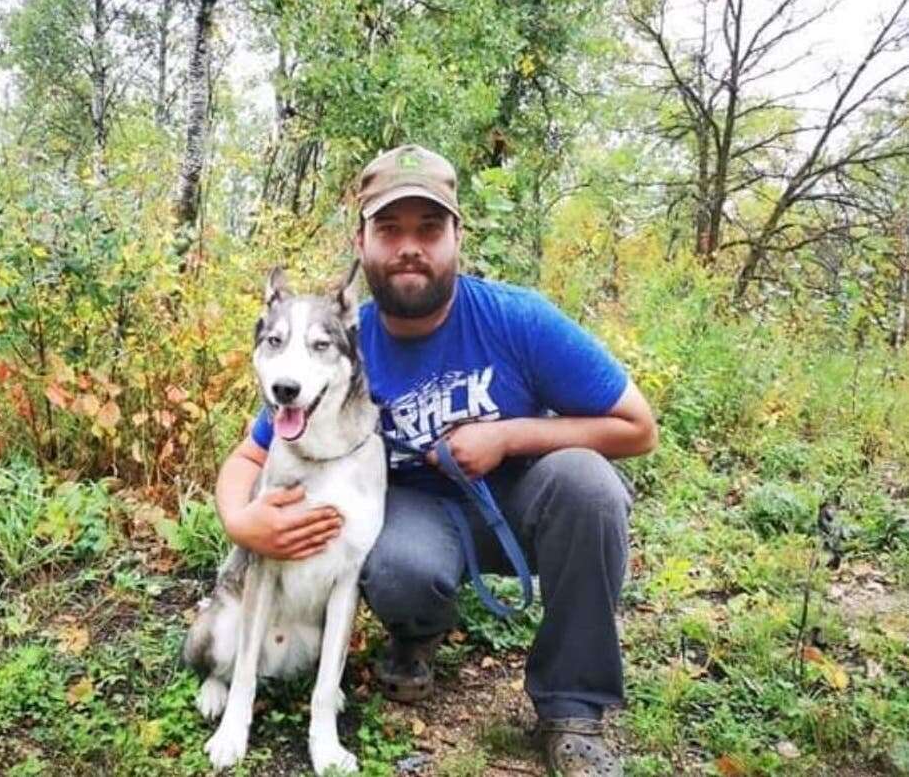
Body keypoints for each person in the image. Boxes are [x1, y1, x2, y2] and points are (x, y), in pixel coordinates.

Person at [215, 145, 658, 777]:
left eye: (429, 228)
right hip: (418, 515)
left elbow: (638, 428)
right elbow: (251, 453)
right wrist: (241, 520)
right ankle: (416, 633)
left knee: (590, 487)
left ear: (457, 237)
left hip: (527, 499)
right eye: (389, 229)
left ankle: (572, 707)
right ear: (362, 242)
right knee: (394, 560)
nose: (409, 247)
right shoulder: (337, 345)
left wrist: (506, 437)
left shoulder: (518, 319)